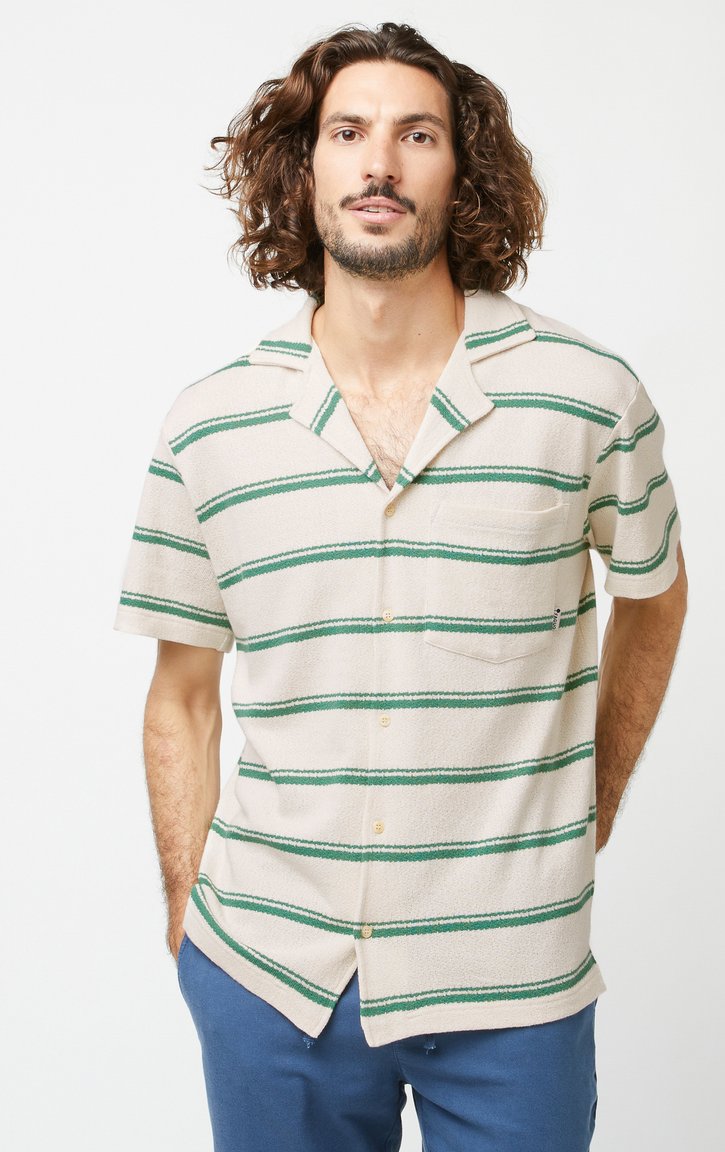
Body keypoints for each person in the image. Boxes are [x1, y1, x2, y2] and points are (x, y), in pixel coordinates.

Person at [113, 20, 688, 1152]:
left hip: (513, 976)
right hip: (270, 977)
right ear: (303, 170)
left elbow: (654, 597)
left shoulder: (585, 398)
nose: (379, 162)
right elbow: (181, 693)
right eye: (348, 133)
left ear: (463, 173)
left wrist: (593, 803)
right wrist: (188, 912)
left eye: (416, 134)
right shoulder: (209, 426)